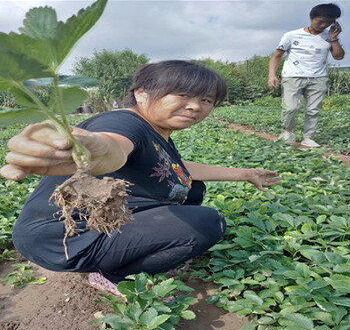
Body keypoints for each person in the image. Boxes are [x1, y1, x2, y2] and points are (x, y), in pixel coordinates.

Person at [1, 60, 281, 296]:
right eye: (182, 95)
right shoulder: (124, 123)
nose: (195, 106)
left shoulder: (156, 130)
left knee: (191, 190)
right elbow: (113, 145)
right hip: (61, 239)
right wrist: (97, 153)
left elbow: (176, 166)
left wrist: (246, 174)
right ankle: (112, 275)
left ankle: (126, 251)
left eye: (206, 100)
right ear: (141, 94)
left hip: (73, 229)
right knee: (208, 223)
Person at [268, 3, 345, 148]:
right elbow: (277, 56)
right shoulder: (291, 35)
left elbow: (339, 57)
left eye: (328, 22)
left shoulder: (329, 37)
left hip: (318, 78)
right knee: (291, 108)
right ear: (312, 17)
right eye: (320, 21)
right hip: (292, 76)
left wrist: (334, 38)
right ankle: (288, 132)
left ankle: (308, 137)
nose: (323, 25)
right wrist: (272, 75)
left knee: (313, 109)